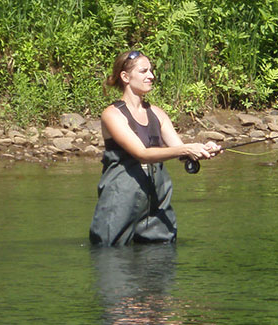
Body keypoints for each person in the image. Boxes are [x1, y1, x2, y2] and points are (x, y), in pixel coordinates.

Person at [89, 50, 221, 246]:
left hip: (156, 197)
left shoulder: (158, 114)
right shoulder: (112, 115)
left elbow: (179, 149)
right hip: (120, 197)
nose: (151, 76)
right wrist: (186, 150)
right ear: (125, 77)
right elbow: (141, 154)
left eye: (151, 71)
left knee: (161, 259)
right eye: (144, 71)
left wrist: (203, 150)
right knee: (110, 255)